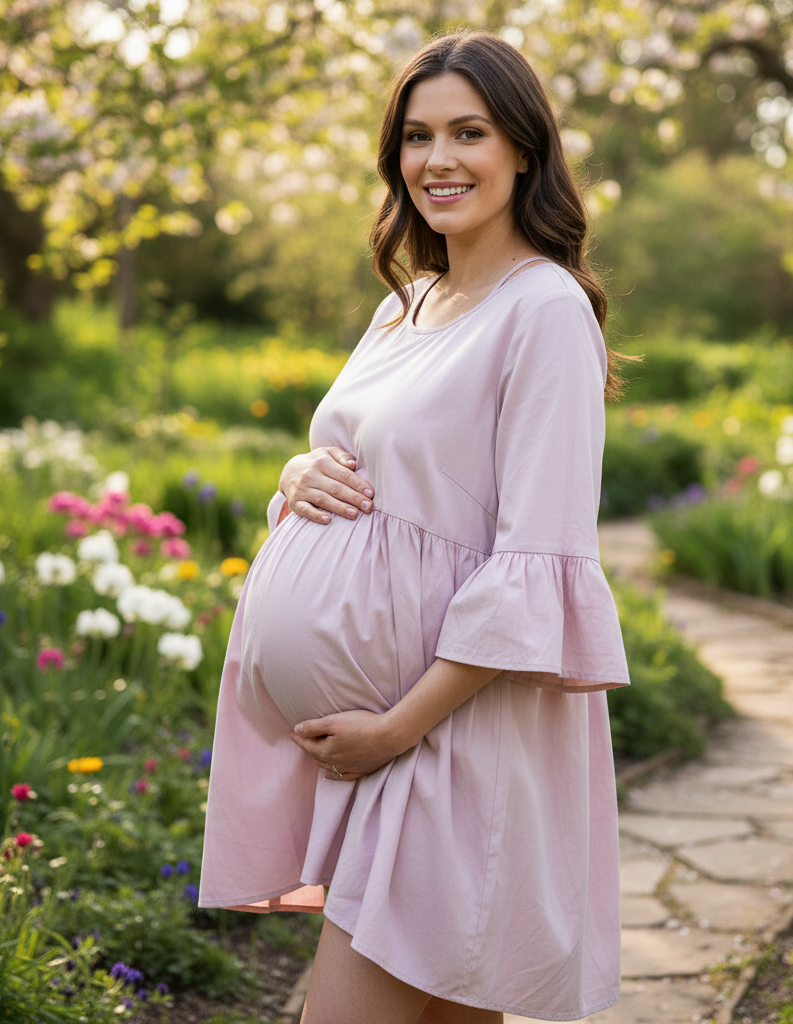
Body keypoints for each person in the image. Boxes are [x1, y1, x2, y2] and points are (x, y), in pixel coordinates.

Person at [198, 30, 631, 1024]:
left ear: (523, 148)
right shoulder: (407, 304)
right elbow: (371, 468)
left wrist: (396, 728)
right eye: (417, 136)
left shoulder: (543, 309)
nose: (439, 159)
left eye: (469, 133)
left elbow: (540, 556)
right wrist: (297, 473)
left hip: (448, 734)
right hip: (394, 744)